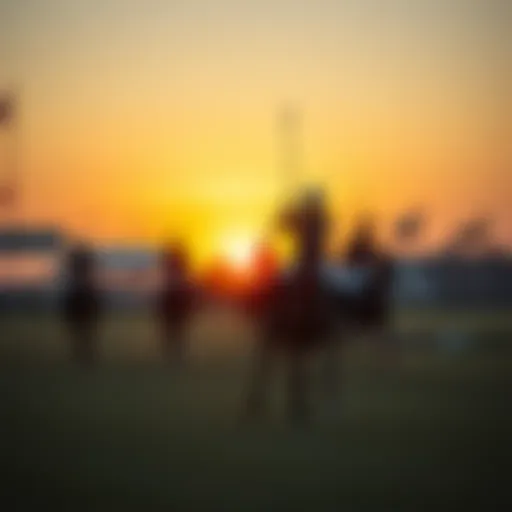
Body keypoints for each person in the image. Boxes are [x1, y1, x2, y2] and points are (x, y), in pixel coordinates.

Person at [62, 244, 101, 366]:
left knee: (84, 332)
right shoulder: (81, 264)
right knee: (83, 332)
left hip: (81, 292)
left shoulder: (80, 263)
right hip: (81, 292)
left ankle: (84, 354)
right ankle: (84, 354)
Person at [156, 242, 195, 365]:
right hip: (174, 301)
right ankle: (174, 354)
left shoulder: (174, 266)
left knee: (175, 331)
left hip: (175, 301)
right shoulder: (175, 266)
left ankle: (174, 354)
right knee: (174, 331)